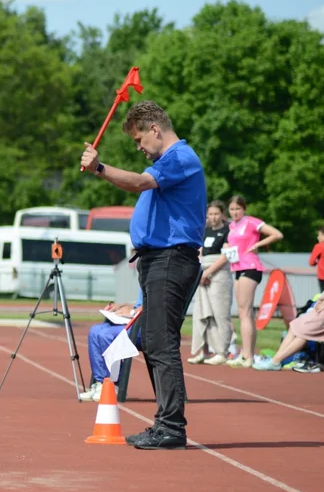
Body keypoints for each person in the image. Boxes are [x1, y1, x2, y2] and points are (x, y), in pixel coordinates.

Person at [81, 100, 205, 450]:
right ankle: (167, 423)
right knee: (151, 340)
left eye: (139, 140)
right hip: (158, 261)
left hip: (170, 260)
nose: (138, 147)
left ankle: (171, 425)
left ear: (155, 129)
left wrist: (99, 168)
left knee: (161, 341)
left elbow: (137, 182)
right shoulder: (169, 163)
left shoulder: (179, 158)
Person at [223, 195, 288, 368]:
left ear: (244, 209)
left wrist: (258, 245)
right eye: (232, 209)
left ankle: (247, 356)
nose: (235, 212)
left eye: (238, 209)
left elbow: (277, 234)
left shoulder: (251, 222)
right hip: (236, 268)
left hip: (250, 267)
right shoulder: (231, 225)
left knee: (244, 311)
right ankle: (247, 354)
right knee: (245, 312)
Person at [252, 279, 324, 371]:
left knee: (304, 332)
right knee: (294, 325)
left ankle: (275, 361)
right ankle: (276, 359)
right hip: (323, 306)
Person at [188, 200, 234, 365]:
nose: (213, 218)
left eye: (216, 214)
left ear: (222, 214)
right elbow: (199, 251)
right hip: (203, 274)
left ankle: (222, 351)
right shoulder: (205, 230)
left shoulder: (228, 231)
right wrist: (201, 272)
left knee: (219, 314)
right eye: (210, 215)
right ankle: (204, 350)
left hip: (219, 275)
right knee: (202, 313)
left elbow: (226, 256)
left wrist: (208, 272)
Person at [80, 294, 143, 402]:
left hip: (147, 328)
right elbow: (140, 303)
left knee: (106, 335)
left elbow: (156, 304)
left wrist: (132, 312)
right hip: (133, 321)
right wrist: (120, 307)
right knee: (95, 331)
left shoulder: (159, 278)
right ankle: (101, 383)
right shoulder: (145, 277)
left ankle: (112, 384)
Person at [309, 225, 324, 294]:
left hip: (323, 277)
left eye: (319, 235)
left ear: (323, 235)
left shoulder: (319, 246)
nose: (318, 237)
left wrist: (318, 261)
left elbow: (311, 262)